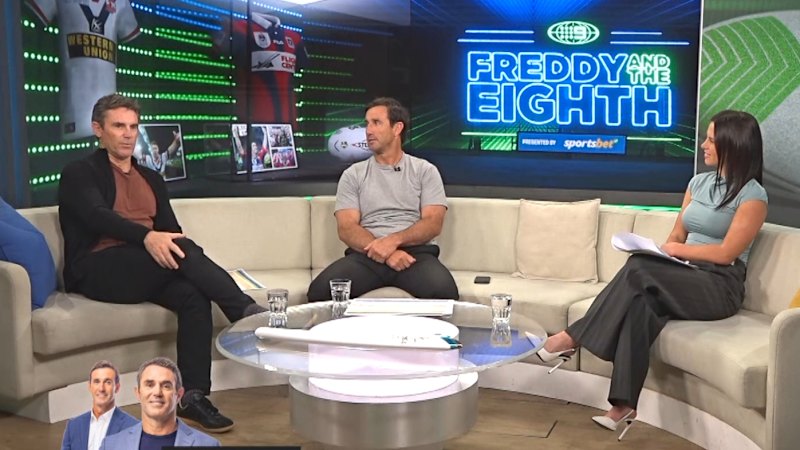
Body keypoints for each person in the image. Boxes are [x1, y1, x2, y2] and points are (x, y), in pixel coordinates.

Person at [536, 110, 768, 439]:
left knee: (638, 268)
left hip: (719, 284)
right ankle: (624, 405)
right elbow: (678, 235)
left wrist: (676, 251)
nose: (703, 145)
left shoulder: (753, 195)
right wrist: (661, 251)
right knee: (640, 303)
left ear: (733, 145)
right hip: (683, 273)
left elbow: (726, 253)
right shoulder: (698, 183)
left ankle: (572, 337)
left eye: (711, 140)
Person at [58, 94, 266, 433]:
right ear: (98, 129)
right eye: (118, 126)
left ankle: (192, 396)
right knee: (183, 252)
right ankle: (244, 312)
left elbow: (170, 230)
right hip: (99, 267)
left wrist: (160, 241)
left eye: (133, 126)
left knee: (193, 295)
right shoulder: (79, 173)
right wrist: (146, 237)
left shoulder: (151, 178)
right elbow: (97, 216)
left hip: (146, 267)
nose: (128, 134)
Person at [307, 97, 459, 301]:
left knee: (444, 292)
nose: (368, 131)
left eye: (376, 123)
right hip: (367, 254)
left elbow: (433, 223)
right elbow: (347, 228)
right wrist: (387, 253)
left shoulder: (425, 171)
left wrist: (393, 241)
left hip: (415, 254)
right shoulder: (353, 174)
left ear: (397, 128)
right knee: (320, 291)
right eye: (367, 124)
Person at [100, 357, 219, 449]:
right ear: (138, 393)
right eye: (150, 385)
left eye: (166, 386)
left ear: (179, 395)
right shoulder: (110, 445)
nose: (157, 392)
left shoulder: (208, 445)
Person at [61, 361, 139, 450]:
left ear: (117, 388)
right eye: (96, 382)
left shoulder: (133, 427)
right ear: (90, 386)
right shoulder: (73, 426)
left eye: (108, 382)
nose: (101, 388)